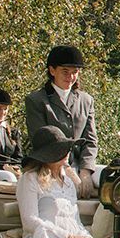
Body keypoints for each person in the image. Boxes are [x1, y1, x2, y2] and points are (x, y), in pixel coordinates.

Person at [15, 125, 96, 238]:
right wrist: (70, 237)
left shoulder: (69, 182)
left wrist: (86, 237)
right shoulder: (30, 179)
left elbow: (75, 220)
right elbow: (30, 221)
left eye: (66, 148)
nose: (66, 152)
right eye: (59, 149)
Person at [24, 45, 99, 196]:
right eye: (65, 72)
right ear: (52, 71)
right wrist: (69, 172)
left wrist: (85, 171)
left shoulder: (86, 100)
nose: (70, 77)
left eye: (75, 72)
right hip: (49, 166)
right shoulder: (36, 100)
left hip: (80, 165)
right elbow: (42, 142)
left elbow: (91, 140)